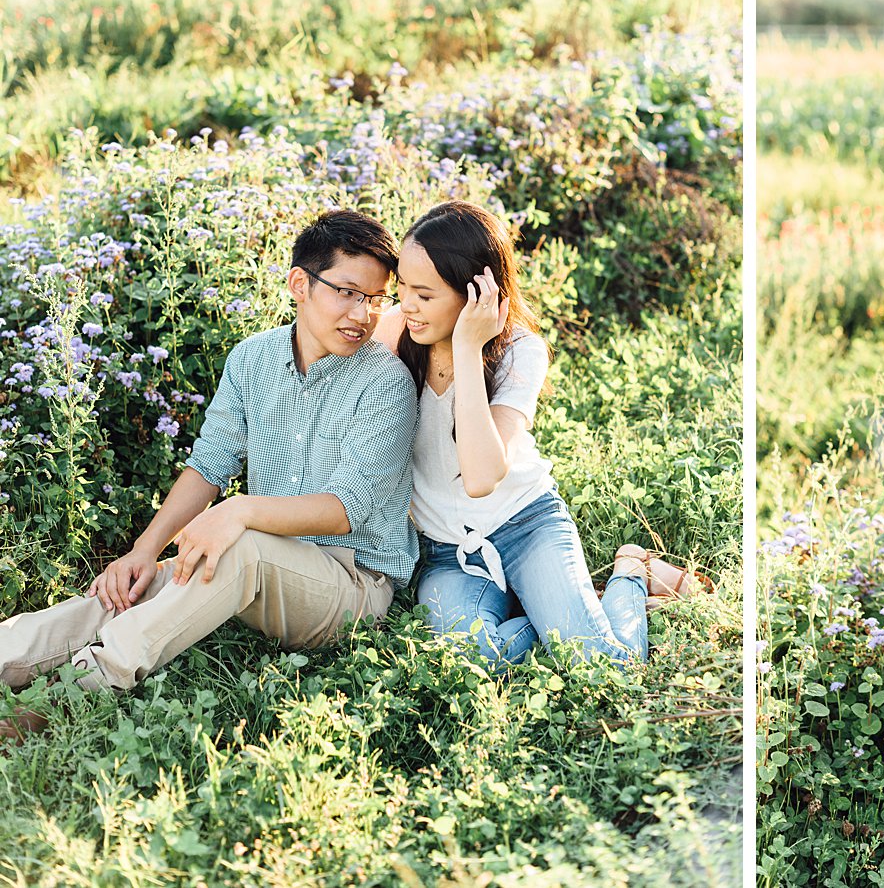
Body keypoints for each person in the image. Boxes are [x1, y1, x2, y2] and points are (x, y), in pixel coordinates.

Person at [0, 209, 419, 741]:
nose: (362, 314)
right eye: (347, 292)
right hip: (259, 563)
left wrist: (238, 512)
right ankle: (8, 652)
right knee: (143, 585)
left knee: (237, 549)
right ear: (300, 284)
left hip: (354, 584)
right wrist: (143, 551)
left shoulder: (386, 384)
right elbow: (209, 465)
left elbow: (345, 510)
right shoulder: (252, 360)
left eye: (376, 298)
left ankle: (73, 694)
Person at [374, 200, 709, 671]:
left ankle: (633, 570)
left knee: (604, 666)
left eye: (425, 295)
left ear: (476, 295)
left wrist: (468, 349)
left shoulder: (518, 352)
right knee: (467, 660)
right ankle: (552, 612)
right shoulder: (393, 335)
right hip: (447, 552)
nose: (407, 305)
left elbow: (481, 476)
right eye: (402, 287)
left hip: (527, 526)